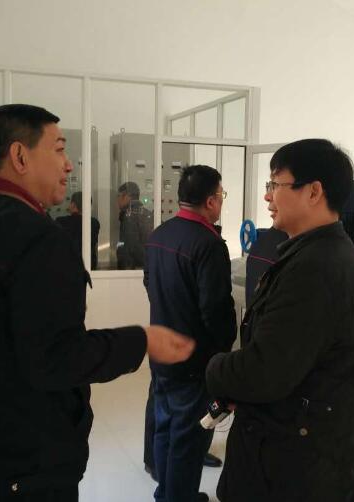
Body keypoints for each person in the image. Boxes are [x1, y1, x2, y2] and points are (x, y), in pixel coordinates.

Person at [0, 104, 194, 502]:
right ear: (20, 156)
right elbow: (56, 360)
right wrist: (142, 340)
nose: (68, 165)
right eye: (59, 149)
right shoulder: (38, 238)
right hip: (26, 466)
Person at [205, 139, 354, 502]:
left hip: (293, 466)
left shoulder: (315, 267)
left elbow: (264, 371)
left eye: (275, 184)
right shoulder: (321, 253)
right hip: (302, 450)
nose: (268, 196)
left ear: (313, 192)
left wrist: (216, 368)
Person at [143, 165, 237, 502]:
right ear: (211, 201)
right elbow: (215, 308)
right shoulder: (208, 244)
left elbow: (149, 283)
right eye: (221, 196)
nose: (221, 202)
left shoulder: (160, 234)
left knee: (164, 426)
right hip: (193, 359)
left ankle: (165, 492)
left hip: (160, 349)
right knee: (188, 437)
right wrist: (223, 354)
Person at [55, 191, 101, 270]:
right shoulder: (94, 223)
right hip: (89, 267)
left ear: (73, 205)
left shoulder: (61, 222)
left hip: (68, 267)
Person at [117, 181, 153, 269]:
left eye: (119, 196)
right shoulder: (147, 213)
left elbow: (131, 246)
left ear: (127, 196)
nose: (117, 200)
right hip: (145, 266)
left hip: (133, 268)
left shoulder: (129, 216)